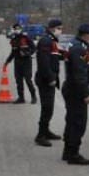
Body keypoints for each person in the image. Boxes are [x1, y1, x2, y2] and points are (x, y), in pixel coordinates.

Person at [61, 23, 89, 165]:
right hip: (76, 91)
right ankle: (73, 154)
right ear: (86, 34)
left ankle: (67, 152)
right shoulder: (78, 49)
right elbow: (79, 74)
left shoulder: (75, 44)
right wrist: (86, 94)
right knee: (78, 123)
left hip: (71, 88)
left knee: (71, 121)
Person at [34, 19, 64, 147]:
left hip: (48, 79)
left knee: (49, 108)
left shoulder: (52, 41)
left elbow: (54, 57)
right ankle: (40, 135)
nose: (61, 30)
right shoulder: (46, 41)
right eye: (59, 28)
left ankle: (46, 131)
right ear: (52, 28)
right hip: (45, 80)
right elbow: (44, 62)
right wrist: (51, 79)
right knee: (47, 108)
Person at [4, 23, 37, 104]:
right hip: (17, 63)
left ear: (21, 29)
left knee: (28, 81)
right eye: (16, 28)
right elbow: (13, 53)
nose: (17, 30)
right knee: (18, 81)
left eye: (19, 28)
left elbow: (34, 48)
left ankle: (34, 97)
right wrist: (7, 62)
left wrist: (27, 53)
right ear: (14, 30)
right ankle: (21, 98)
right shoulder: (14, 39)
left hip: (26, 63)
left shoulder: (26, 38)